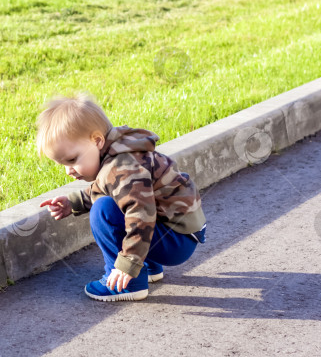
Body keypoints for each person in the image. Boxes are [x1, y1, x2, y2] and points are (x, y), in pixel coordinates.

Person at [36, 92, 207, 302]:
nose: (68, 170)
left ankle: (127, 284)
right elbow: (108, 187)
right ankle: (148, 268)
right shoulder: (119, 152)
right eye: (62, 164)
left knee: (103, 211)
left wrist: (127, 263)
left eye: (72, 159)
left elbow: (140, 215)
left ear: (97, 140)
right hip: (180, 232)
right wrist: (74, 202)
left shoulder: (121, 168)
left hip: (176, 241)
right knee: (109, 203)